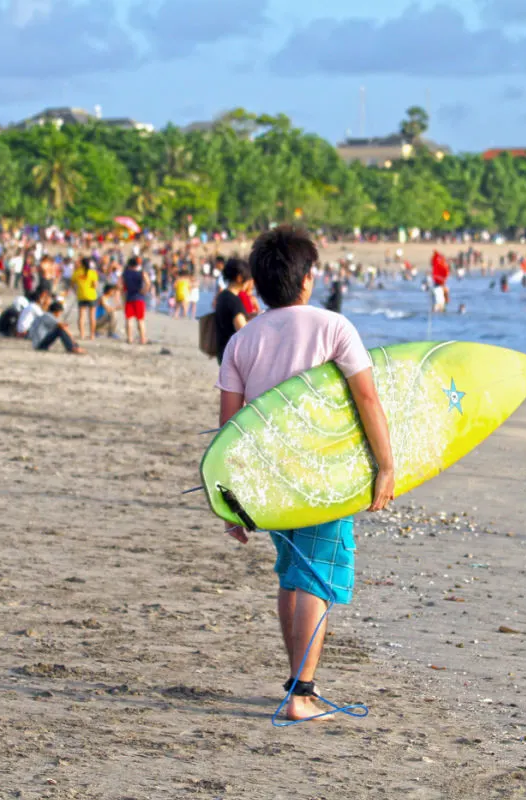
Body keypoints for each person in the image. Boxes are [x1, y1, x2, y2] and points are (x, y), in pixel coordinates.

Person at [217, 227, 394, 722]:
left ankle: (296, 683)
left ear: (257, 283)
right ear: (308, 279)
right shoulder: (334, 327)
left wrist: (229, 501)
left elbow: (228, 431)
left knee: (294, 574)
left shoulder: (242, 341)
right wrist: (386, 466)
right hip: (323, 477)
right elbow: (368, 400)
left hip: (268, 482)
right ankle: (301, 693)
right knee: (315, 577)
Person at [214, 257, 250, 363]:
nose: (248, 283)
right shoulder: (234, 301)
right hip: (234, 355)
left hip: (223, 352)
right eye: (247, 279)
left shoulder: (222, 296)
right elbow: (243, 331)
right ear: (239, 278)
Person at [121, 256, 151, 345]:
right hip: (139, 297)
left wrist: (123, 295)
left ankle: (130, 338)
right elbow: (148, 283)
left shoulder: (125, 273)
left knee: (129, 319)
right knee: (140, 320)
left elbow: (120, 285)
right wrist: (144, 291)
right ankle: (143, 339)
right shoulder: (141, 273)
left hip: (129, 297)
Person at [72, 257, 98, 340]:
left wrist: (76, 291)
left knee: (81, 316)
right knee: (92, 316)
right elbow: (95, 285)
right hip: (91, 295)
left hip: (81, 295)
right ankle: (92, 335)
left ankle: (82, 334)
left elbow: (72, 283)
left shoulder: (77, 272)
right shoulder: (92, 273)